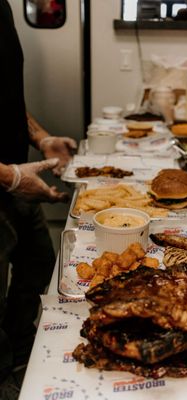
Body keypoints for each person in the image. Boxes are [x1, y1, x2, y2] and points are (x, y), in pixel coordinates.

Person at [0, 0, 77, 388]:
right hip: (5, 177)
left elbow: (8, 98)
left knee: (40, 265)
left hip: (12, 178)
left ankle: (18, 352)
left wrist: (41, 137)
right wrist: (9, 176)